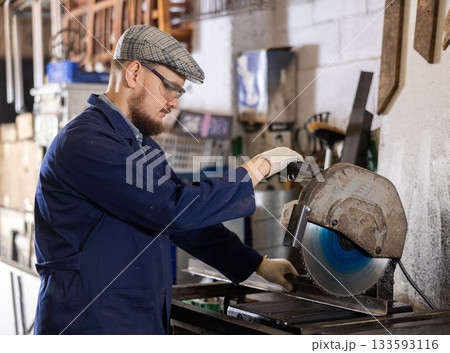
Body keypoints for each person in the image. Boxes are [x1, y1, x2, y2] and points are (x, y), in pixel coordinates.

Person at [34, 25, 303, 335]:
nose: (174, 102)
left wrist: (256, 264)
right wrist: (257, 168)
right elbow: (173, 209)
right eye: (168, 87)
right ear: (133, 73)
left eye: (180, 91)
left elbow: (186, 225)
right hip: (88, 322)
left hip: (132, 320)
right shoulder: (86, 142)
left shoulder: (140, 145)